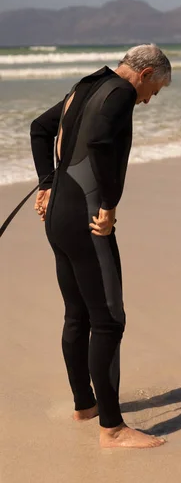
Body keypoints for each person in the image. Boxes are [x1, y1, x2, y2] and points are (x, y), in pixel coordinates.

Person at [30, 44, 171, 449]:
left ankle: (84, 405)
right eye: (154, 91)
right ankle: (112, 429)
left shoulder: (88, 85)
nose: (148, 101)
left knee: (77, 314)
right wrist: (108, 206)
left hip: (59, 214)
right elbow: (102, 146)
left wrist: (46, 182)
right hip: (88, 219)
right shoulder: (121, 94)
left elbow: (40, 127)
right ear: (144, 75)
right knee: (109, 320)